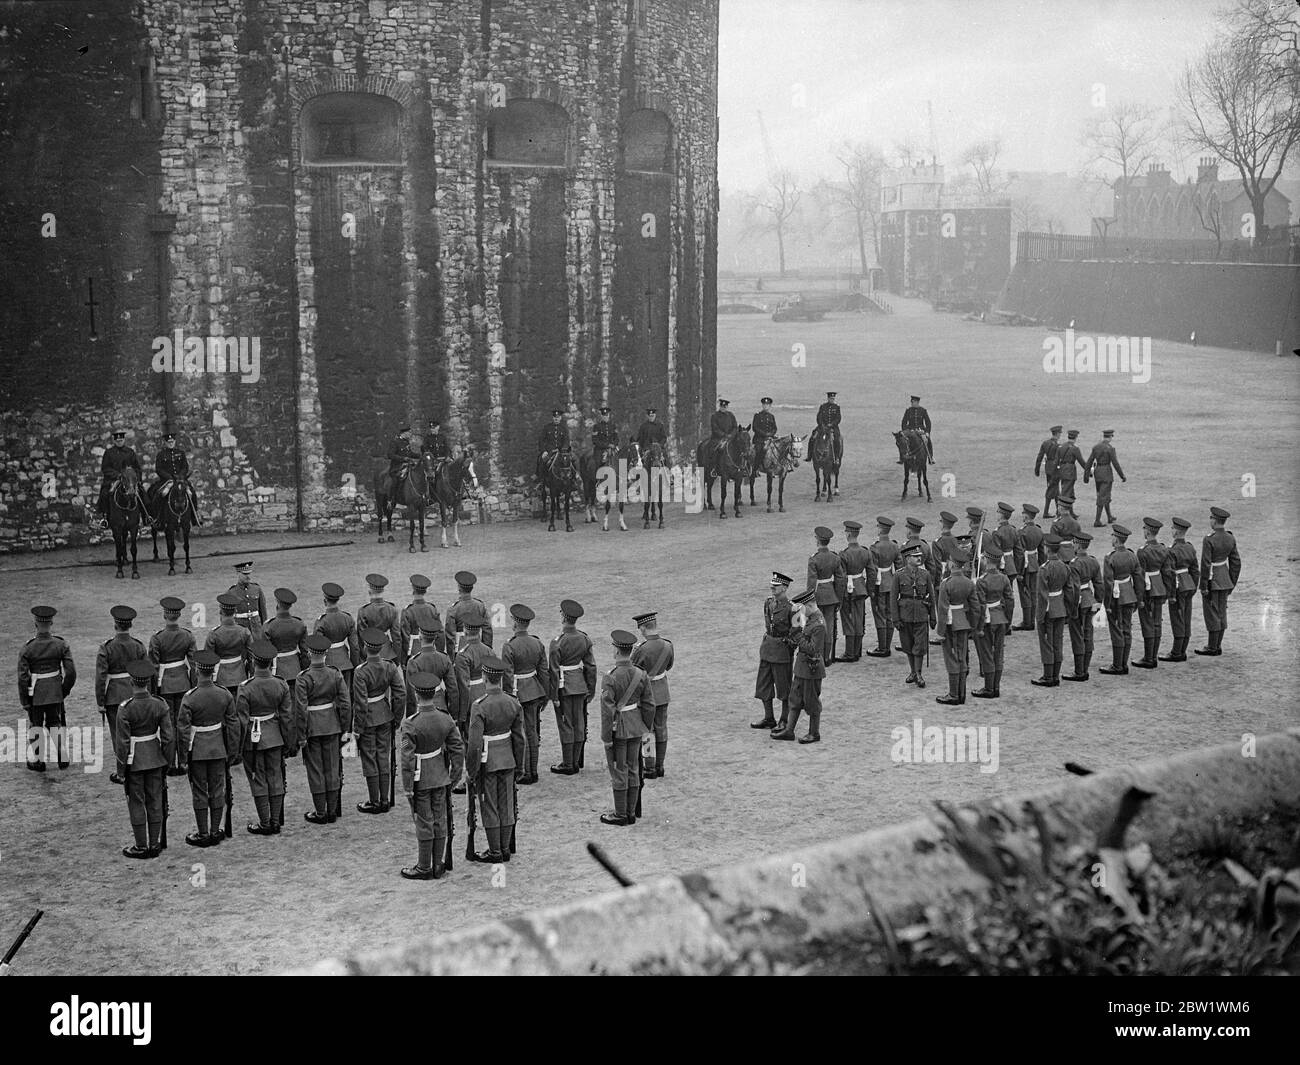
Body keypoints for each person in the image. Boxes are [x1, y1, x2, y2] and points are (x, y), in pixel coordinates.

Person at [399, 672, 465, 880]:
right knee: (440, 819)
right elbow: (458, 748)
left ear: (417, 695)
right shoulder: (444, 718)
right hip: (440, 775)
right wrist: (453, 777)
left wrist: (408, 786)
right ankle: (438, 864)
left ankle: (424, 866)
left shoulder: (410, 724)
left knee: (424, 820)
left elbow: (407, 759)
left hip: (421, 778)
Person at [177, 649, 241, 847]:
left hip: (197, 751)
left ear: (197, 670)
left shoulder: (190, 697)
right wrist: (232, 752)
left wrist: (183, 758)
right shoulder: (224, 695)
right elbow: (233, 726)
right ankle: (215, 830)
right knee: (217, 789)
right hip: (218, 749)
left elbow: (183, 731)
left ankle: (203, 832)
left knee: (199, 791)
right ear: (213, 671)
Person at [466, 655, 526, 859]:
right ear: (500, 678)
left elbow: (474, 744)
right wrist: (520, 766)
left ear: (484, 677)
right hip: (508, 758)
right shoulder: (513, 702)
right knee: (506, 804)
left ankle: (495, 850)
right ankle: (505, 848)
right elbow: (520, 739)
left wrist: (472, 771)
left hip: (488, 761)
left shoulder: (479, 705)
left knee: (490, 805)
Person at [115, 659, 175, 859]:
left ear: (132, 683)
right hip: (156, 758)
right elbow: (168, 737)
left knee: (137, 802)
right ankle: (155, 843)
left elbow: (122, 743)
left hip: (134, 761)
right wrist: (167, 761)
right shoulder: (160, 704)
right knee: (155, 800)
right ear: (148, 682)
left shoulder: (125, 708)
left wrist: (121, 771)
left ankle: (141, 845)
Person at [237, 640, 293, 836]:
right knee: (275, 777)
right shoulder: (281, 684)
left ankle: (265, 821)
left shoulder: (245, 687)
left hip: (254, 741)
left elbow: (242, 721)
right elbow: (286, 717)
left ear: (253, 661)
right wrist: (287, 742)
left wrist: (240, 746)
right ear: (271, 663)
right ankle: (275, 821)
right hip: (275, 736)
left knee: (258, 778)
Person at [598, 632, 655, 825]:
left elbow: (607, 712)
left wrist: (606, 737)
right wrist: (644, 726)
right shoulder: (641, 674)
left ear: (616, 650)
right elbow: (649, 704)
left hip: (619, 729)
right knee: (633, 768)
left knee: (619, 769)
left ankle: (621, 813)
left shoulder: (610, 677)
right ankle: (631, 812)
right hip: (636, 725)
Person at [295, 633, 352, 824]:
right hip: (332, 725)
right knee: (332, 767)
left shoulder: (303, 678)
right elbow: (345, 704)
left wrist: (301, 734)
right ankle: (332, 809)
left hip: (312, 728)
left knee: (316, 770)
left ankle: (321, 812)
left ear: (310, 653)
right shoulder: (335, 674)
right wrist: (345, 728)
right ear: (326, 653)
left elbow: (301, 710)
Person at [352, 628, 407, 814]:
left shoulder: (360, 671)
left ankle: (375, 801)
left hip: (368, 720)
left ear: (366, 648)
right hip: (385, 715)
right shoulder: (389, 666)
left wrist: (357, 728)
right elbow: (400, 694)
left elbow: (360, 704)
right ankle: (384, 799)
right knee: (383, 756)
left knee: (369, 758)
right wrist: (396, 717)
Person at [18, 605, 76, 771]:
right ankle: (62, 756)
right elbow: (71, 672)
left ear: (35, 623)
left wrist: (24, 700)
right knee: (55, 722)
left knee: (36, 725)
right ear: (51, 623)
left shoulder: (27, 648)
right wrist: (62, 691)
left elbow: (22, 678)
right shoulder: (60, 644)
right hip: (54, 692)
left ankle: (38, 761)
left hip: (35, 693)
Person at [96, 604, 146, 785]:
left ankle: (121, 771)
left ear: (115, 625)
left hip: (114, 696)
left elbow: (101, 676)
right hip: (136, 692)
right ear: (130, 625)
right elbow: (146, 669)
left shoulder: (107, 647)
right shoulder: (138, 646)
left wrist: (100, 701)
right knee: (138, 730)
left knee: (119, 734)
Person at [501, 604, 550, 785]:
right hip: (535, 691)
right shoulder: (536, 642)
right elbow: (543, 671)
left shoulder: (510, 646)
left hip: (518, 692)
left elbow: (507, 675)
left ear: (515, 623)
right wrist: (546, 695)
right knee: (533, 732)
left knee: (522, 733)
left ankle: (526, 772)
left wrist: (507, 697)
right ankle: (533, 770)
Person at [149, 596, 196, 777]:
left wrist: (153, 692)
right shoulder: (187, 635)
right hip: (183, 683)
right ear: (179, 615)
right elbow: (194, 665)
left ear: (164, 615)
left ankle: (169, 763)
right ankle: (184, 761)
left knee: (168, 727)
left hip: (165, 685)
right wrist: (193, 687)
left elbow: (152, 667)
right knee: (183, 725)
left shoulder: (157, 638)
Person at [548, 599, 595, 775]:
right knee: (579, 724)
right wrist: (590, 689)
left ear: (563, 617)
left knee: (566, 724)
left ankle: (569, 763)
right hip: (580, 685)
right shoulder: (584, 638)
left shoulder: (557, 642)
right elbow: (591, 666)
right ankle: (575, 761)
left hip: (564, 687)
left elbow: (553, 670)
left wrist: (553, 695)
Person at [772, 589, 825, 743]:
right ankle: (789, 731)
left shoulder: (819, 624)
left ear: (809, 605)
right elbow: (797, 630)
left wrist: (796, 635)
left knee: (812, 701)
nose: (799, 612)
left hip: (811, 668)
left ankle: (814, 733)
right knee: (794, 699)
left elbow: (813, 648)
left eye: (802, 609)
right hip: (802, 667)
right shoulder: (808, 618)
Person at [630, 610, 673, 779]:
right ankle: (660, 766)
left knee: (647, 731)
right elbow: (669, 666)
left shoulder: (642, 649)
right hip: (662, 692)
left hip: (646, 696)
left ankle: (649, 767)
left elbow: (633, 672)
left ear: (643, 628)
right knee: (661, 729)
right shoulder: (668, 645)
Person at [452, 606, 495, 770]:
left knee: (471, 741)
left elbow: (463, 687)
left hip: (471, 700)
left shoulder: (463, 655)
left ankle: (473, 775)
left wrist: (461, 715)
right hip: (487, 694)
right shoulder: (488, 650)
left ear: (464, 630)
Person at [935, 546, 978, 704]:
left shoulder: (947, 583)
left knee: (952, 659)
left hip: (951, 624)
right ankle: (962, 694)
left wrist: (940, 631)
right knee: (962, 658)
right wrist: (972, 626)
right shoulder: (968, 583)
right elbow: (975, 607)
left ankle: (954, 694)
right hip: (964, 623)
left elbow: (942, 609)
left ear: (952, 564)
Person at [752, 572, 795, 730]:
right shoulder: (768, 603)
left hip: (782, 651)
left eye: (775, 586)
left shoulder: (793, 608)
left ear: (784, 588)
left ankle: (784, 719)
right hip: (767, 648)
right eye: (772, 586)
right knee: (764, 685)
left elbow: (798, 631)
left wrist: (788, 646)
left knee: (784, 688)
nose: (772, 588)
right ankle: (769, 717)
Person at [1196, 505, 1241, 657]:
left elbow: (1206, 564)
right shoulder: (1230, 537)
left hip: (1212, 580)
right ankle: (1217, 645)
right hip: (1225, 579)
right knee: (1221, 612)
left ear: (1214, 521)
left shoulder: (1209, 539)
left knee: (1212, 614)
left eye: (1211, 518)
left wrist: (1203, 586)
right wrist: (1231, 582)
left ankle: (1212, 647)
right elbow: (1236, 563)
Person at [1032, 533, 1076, 687]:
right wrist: (1069, 610)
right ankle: (1055, 675)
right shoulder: (1065, 566)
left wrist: (1040, 615)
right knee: (1057, 642)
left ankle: (1048, 676)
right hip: (1060, 608)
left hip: (1048, 610)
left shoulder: (1044, 569)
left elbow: (1042, 595)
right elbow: (1069, 590)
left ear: (1046, 549)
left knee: (1047, 643)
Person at [891, 539, 936, 688]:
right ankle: (912, 671)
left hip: (921, 614)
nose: (919, 558)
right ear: (907, 558)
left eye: (920, 556)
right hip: (905, 615)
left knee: (920, 646)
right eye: (916, 556)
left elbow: (931, 596)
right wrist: (895, 619)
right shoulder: (898, 575)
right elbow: (893, 598)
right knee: (908, 645)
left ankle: (919, 673)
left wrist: (933, 617)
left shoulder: (926, 574)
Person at [972, 545, 1013, 698]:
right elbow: (1010, 600)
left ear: (987, 560)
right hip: (1000, 617)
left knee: (987, 654)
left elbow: (981, 606)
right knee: (999, 654)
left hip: (987, 620)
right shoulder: (1003, 578)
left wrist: (979, 626)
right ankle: (996, 687)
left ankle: (989, 688)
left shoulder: (982, 581)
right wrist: (1007, 620)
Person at [1133, 517, 1174, 669]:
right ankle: (1153, 656)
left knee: (1147, 624)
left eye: (1144, 529)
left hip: (1148, 590)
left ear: (1148, 532)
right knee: (1157, 623)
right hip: (1159, 587)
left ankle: (1148, 658)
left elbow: (1140, 576)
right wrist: (1167, 592)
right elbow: (1168, 572)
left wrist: (1140, 597)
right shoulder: (1163, 549)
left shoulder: (1142, 552)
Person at [1100, 523, 1140, 675]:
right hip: (1129, 595)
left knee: (1116, 630)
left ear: (1116, 540)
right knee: (1127, 629)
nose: (1111, 538)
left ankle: (1117, 665)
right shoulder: (1132, 555)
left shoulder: (1110, 558)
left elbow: (1108, 583)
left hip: (1116, 599)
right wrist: (1138, 598)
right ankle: (1123, 663)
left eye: (1112, 536)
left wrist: (1107, 603)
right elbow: (1139, 579)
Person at [1063, 531, 1103, 682]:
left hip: (1079, 602)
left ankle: (1079, 672)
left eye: (1074, 543)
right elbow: (1099, 584)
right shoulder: (1093, 561)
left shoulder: (1074, 564)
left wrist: (1071, 609)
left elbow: (1073, 589)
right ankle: (1084, 669)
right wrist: (1098, 603)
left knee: (1077, 637)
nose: (1072, 545)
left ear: (1078, 546)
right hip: (1090, 600)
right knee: (1088, 635)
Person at [406, 619, 459, 731]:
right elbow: (453, 689)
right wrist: (453, 715)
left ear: (420, 637)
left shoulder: (414, 662)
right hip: (441, 705)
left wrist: (409, 718)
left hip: (421, 707)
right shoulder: (444, 658)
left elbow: (411, 696)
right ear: (435, 638)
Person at [806, 525, 846, 666]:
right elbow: (841, 580)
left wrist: (808, 601)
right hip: (831, 596)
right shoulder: (834, 557)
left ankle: (819, 655)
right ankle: (827, 657)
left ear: (817, 540)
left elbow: (811, 584)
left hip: (818, 596)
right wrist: (838, 598)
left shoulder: (814, 559)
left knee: (817, 625)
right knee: (829, 626)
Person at [1161, 517, 1199, 662]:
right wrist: (1193, 585)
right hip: (1188, 584)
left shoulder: (1172, 551)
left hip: (1177, 586)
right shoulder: (1190, 547)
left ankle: (1177, 652)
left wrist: (1170, 594)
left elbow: (1170, 573)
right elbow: (1195, 570)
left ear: (1176, 532)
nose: (1171, 530)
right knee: (1186, 618)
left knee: (1177, 619)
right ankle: (1182, 649)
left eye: (1172, 528)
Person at [864, 516, 900, 657]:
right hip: (890, 582)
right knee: (889, 614)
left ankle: (882, 647)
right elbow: (899, 567)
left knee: (879, 615)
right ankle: (886, 645)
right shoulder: (894, 546)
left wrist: (870, 589)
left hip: (879, 584)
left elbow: (872, 571)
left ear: (880, 529)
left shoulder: (874, 547)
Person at [205, 594, 252, 699]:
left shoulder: (214, 634)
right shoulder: (244, 631)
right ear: (235, 612)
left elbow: (207, 660)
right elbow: (252, 658)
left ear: (221, 612)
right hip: (240, 676)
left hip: (221, 678)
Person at [151, 430, 202, 525]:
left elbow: (185, 467)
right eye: (168, 442)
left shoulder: (180, 453)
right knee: (160, 494)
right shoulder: (161, 454)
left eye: (172, 442)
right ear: (165, 443)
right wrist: (169, 477)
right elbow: (159, 469)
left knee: (191, 493)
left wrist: (180, 477)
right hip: (167, 481)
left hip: (181, 480)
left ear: (174, 441)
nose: (170, 444)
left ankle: (195, 516)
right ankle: (158, 518)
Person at [96, 427, 144, 526]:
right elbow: (105, 468)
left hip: (129, 480)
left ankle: (145, 517)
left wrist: (137, 479)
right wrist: (118, 475)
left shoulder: (130, 452)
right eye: (117, 440)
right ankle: (105, 518)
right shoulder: (109, 453)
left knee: (143, 494)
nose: (119, 442)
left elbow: (137, 468)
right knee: (105, 494)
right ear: (114, 441)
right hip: (114, 480)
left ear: (124, 440)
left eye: (121, 440)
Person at [314, 582, 359, 688]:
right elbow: (355, 647)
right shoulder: (347, 618)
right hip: (345, 663)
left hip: (328, 666)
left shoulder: (321, 622)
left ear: (325, 601)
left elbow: (317, 649)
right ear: (338, 600)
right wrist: (354, 665)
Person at [264, 588, 308, 694]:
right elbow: (305, 652)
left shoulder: (269, 626)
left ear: (277, 603)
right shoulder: (299, 624)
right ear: (290, 605)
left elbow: (265, 655)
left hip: (277, 671)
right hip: (296, 669)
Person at [838, 521, 871, 661]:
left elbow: (841, 578)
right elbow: (872, 572)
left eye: (846, 532)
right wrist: (868, 590)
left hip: (849, 591)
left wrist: (839, 596)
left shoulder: (844, 554)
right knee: (859, 620)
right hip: (861, 589)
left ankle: (850, 653)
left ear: (849, 534)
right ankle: (857, 651)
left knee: (848, 621)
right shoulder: (865, 551)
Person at [1083, 429, 1126, 528]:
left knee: (1103, 495)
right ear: (1110, 437)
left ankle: (1109, 516)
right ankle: (1097, 520)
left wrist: (1086, 476)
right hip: (1106, 473)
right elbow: (1115, 463)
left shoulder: (1096, 447)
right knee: (1103, 497)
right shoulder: (1110, 448)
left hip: (1098, 473)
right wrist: (1122, 475)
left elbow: (1089, 462)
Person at [1013, 504, 1044, 631]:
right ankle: (1032, 620)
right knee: (1033, 594)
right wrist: (1041, 566)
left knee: (1024, 594)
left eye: (1023, 514)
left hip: (1025, 566)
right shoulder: (1039, 530)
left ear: (1026, 516)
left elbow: (1020, 555)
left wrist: (1019, 572)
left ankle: (1027, 622)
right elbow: (1042, 552)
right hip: (1035, 564)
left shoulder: (1021, 532)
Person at [399, 573, 443, 661]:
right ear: (425, 591)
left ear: (413, 590)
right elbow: (440, 634)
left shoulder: (407, 611)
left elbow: (404, 637)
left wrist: (403, 659)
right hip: (431, 651)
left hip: (412, 653)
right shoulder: (432, 609)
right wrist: (440, 653)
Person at [356, 573, 399, 663]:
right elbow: (396, 637)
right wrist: (397, 656)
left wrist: (364, 657)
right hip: (388, 652)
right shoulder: (392, 609)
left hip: (370, 653)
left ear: (370, 591)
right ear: (382, 590)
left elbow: (361, 637)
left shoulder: (364, 611)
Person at [446, 570, 492, 652]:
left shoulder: (453, 609)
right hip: (479, 650)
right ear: (472, 588)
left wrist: (451, 658)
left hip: (460, 651)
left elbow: (450, 637)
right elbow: (487, 630)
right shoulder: (480, 606)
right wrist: (486, 651)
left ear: (459, 588)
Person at [227, 561, 267, 640]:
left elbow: (263, 611)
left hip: (257, 631)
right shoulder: (231, 592)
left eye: (249, 573)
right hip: (241, 632)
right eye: (245, 574)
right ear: (238, 574)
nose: (248, 576)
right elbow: (228, 615)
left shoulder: (256, 589)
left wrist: (264, 629)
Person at [1034, 425, 1062, 518]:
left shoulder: (1045, 443)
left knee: (1054, 489)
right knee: (1052, 489)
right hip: (1055, 469)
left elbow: (1040, 456)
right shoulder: (1058, 446)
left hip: (1048, 468)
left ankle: (1058, 511)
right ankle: (1047, 512)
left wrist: (1037, 469)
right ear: (1057, 434)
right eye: (1060, 433)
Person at [810, 391, 844, 463]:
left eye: (833, 398)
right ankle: (810, 455)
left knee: (837, 439)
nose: (832, 400)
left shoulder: (837, 407)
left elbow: (838, 418)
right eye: (831, 398)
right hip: (822, 426)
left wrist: (831, 424)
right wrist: (822, 425)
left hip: (833, 428)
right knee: (813, 437)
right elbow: (819, 417)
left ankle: (837, 457)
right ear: (828, 398)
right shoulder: (823, 407)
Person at [537, 409, 571, 478]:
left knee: (572, 460)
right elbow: (541, 440)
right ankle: (541, 481)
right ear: (552, 418)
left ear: (560, 418)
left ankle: (574, 479)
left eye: (558, 417)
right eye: (555, 417)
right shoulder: (547, 427)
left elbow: (566, 440)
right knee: (541, 460)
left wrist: (564, 449)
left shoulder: (564, 428)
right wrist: (544, 451)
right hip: (550, 451)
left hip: (561, 451)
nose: (556, 419)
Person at [1055, 429, 1085, 505]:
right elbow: (1081, 461)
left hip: (1062, 470)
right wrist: (1088, 469)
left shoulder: (1061, 446)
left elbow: (1056, 460)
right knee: (1066, 492)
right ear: (1075, 437)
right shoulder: (1075, 448)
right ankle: (1060, 512)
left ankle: (1070, 512)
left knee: (1069, 490)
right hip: (1070, 471)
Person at [898, 394, 931, 463]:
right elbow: (904, 422)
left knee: (928, 441)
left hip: (920, 430)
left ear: (917, 402)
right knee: (902, 441)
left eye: (913, 402)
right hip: (910, 430)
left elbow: (928, 422)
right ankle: (902, 458)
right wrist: (906, 430)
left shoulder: (923, 411)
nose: (911, 403)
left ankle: (930, 457)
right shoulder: (908, 410)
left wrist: (927, 432)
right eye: (911, 402)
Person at [388, 427, 419, 492]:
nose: (410, 434)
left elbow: (410, 453)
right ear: (404, 433)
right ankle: (391, 499)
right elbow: (390, 455)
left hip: (408, 466)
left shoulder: (406, 442)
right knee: (395, 482)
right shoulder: (395, 442)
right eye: (409, 432)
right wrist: (403, 458)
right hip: (397, 467)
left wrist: (420, 456)